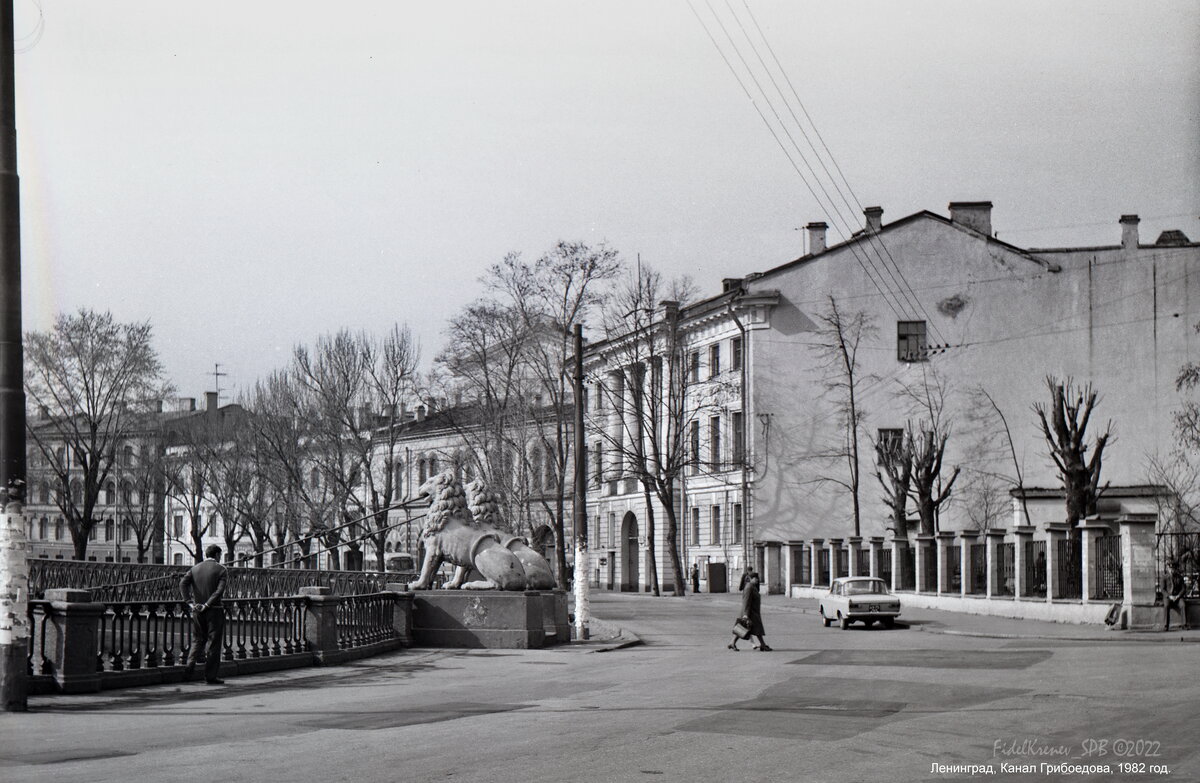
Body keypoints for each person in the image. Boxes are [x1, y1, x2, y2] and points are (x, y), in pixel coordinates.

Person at [181, 544, 229, 684]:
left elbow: (183, 584)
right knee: (214, 643)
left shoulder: (194, 568)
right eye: (220, 555)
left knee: (197, 640)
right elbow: (219, 591)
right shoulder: (221, 570)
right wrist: (207, 605)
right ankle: (210, 676)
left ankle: (188, 668)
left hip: (197, 611)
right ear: (217, 555)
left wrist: (190, 603)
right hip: (214, 610)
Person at [729, 571, 771, 651]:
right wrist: (745, 614)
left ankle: (732, 643)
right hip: (750, 612)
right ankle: (762, 645)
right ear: (750, 579)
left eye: (757, 578)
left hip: (753, 612)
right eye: (755, 578)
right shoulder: (749, 587)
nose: (757, 580)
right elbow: (746, 601)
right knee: (750, 628)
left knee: (744, 628)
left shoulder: (752, 586)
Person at [1162, 562, 1190, 632]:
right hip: (1168, 597)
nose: (1172, 570)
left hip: (1177, 596)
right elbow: (1162, 589)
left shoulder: (1179, 577)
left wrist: (1178, 596)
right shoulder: (1164, 577)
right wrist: (1169, 596)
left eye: (1173, 569)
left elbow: (1183, 589)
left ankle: (1184, 624)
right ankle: (1166, 625)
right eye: (1170, 569)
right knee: (1166, 605)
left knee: (1183, 605)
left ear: (1175, 569)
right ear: (1168, 569)